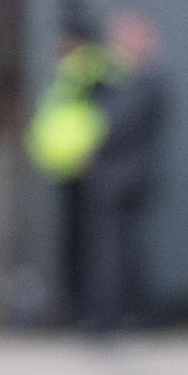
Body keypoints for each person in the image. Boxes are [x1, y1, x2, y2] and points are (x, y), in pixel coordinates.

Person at [24, 20, 116, 326]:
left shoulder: (89, 71)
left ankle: (89, 311)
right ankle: (77, 309)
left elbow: (108, 118)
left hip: (87, 169)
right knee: (75, 243)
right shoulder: (74, 71)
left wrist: (95, 154)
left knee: (87, 245)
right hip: (69, 169)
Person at [83, 9, 168, 335]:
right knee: (124, 247)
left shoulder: (145, 79)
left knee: (112, 248)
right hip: (127, 174)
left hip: (123, 175)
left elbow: (116, 124)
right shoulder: (134, 78)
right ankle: (134, 312)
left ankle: (111, 316)